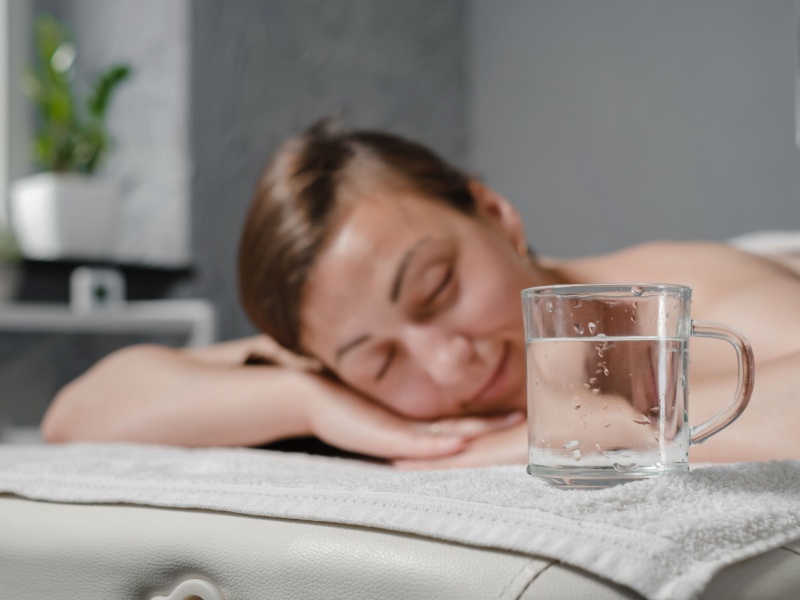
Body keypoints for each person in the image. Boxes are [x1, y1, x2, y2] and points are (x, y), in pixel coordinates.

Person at [41, 120, 800, 468]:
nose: (446, 366)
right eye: (377, 362)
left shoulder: (683, 291)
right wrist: (310, 403)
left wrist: (547, 431)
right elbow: (80, 413)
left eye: (438, 289)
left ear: (497, 216)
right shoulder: (331, 367)